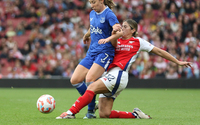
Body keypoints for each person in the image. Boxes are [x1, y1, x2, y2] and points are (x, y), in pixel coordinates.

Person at [56, 19, 192, 119]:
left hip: (118, 75)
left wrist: (178, 62)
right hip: (110, 75)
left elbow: (159, 51)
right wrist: (102, 34)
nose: (122, 28)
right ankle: (136, 115)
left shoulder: (138, 42)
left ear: (133, 30)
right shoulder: (116, 39)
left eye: (125, 27)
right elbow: (100, 30)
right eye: (122, 26)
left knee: (91, 87)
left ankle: (70, 113)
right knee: (104, 114)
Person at [69, 0, 121, 118]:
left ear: (101, 0)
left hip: (105, 52)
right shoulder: (92, 13)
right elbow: (93, 26)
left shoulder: (109, 14)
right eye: (90, 2)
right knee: (75, 80)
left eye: (94, 2)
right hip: (92, 51)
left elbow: (117, 29)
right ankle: (92, 102)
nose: (92, 5)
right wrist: (87, 34)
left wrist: (115, 28)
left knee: (90, 79)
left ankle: (90, 111)